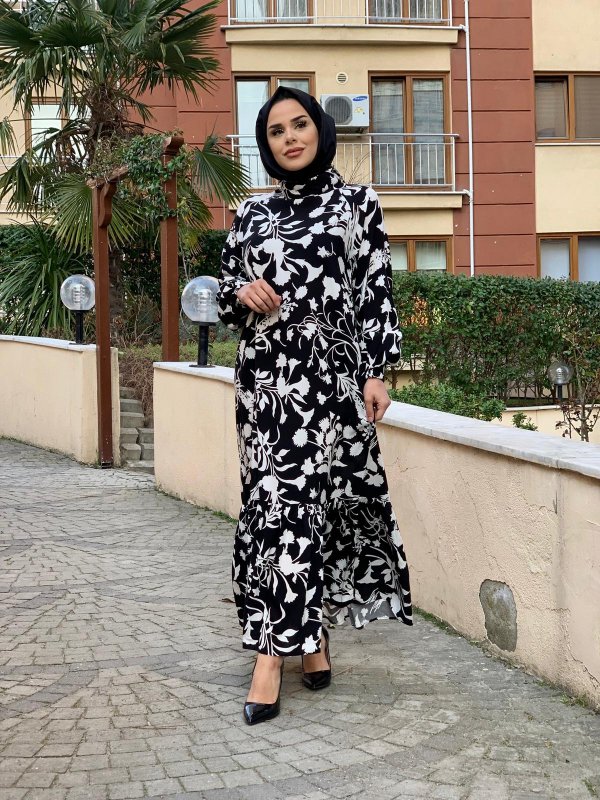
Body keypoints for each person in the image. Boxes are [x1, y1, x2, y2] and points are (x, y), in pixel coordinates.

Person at [217, 86, 412, 726]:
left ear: (320, 130)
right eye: (276, 132)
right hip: (265, 386)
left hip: (329, 385)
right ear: (267, 146)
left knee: (310, 511)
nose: (290, 138)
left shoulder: (358, 204)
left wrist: (376, 372)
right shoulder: (250, 214)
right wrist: (241, 293)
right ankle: (292, 649)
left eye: (299, 125)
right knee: (273, 510)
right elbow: (222, 292)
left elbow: (374, 288)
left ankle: (283, 652)